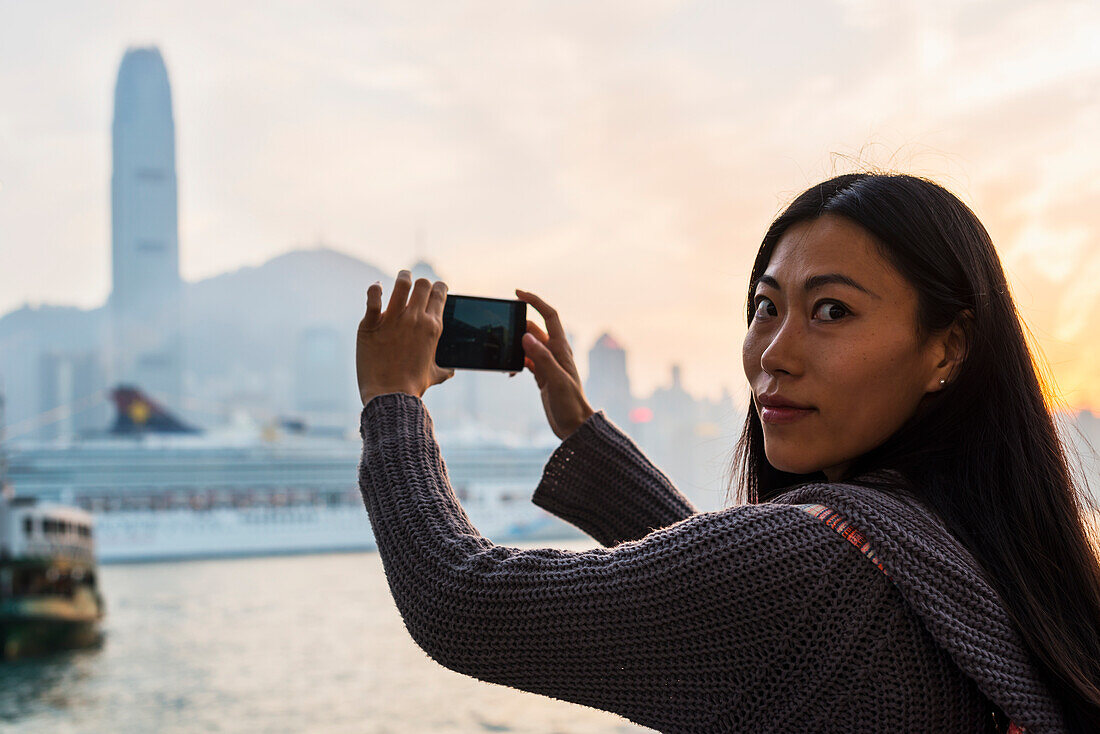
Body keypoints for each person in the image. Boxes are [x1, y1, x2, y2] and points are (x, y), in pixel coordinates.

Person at [355, 172, 1100, 733]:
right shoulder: (976, 550)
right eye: (765, 308)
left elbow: (461, 603)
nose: (774, 352)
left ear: (949, 349)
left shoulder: (822, 567)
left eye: (831, 311)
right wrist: (583, 432)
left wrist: (393, 402)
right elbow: (740, 602)